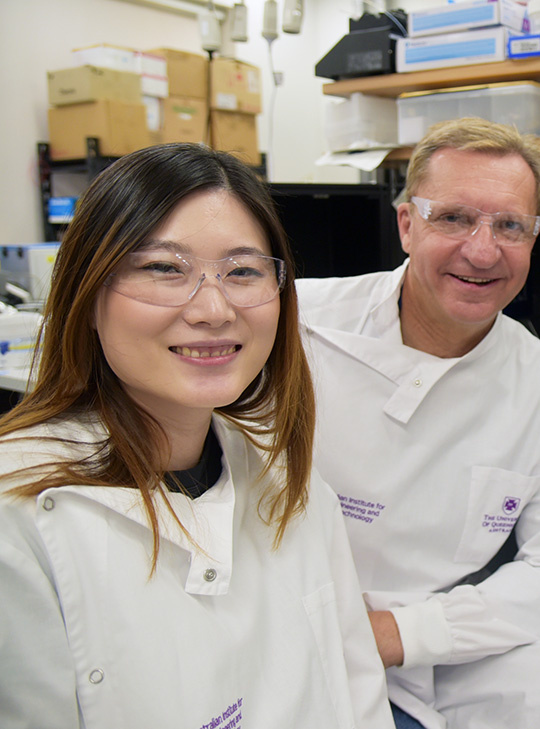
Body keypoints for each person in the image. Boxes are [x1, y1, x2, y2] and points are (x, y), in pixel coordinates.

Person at [0, 143, 392, 729]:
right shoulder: (20, 519)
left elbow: (357, 691)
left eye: (242, 272)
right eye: (164, 268)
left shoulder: (290, 479)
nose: (214, 308)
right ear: (86, 293)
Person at [295, 118, 540, 729]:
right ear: (407, 224)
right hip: (293, 621)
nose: (483, 252)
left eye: (510, 225)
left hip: (440, 639)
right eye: (453, 218)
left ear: (534, 237)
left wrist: (398, 634)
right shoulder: (294, 324)